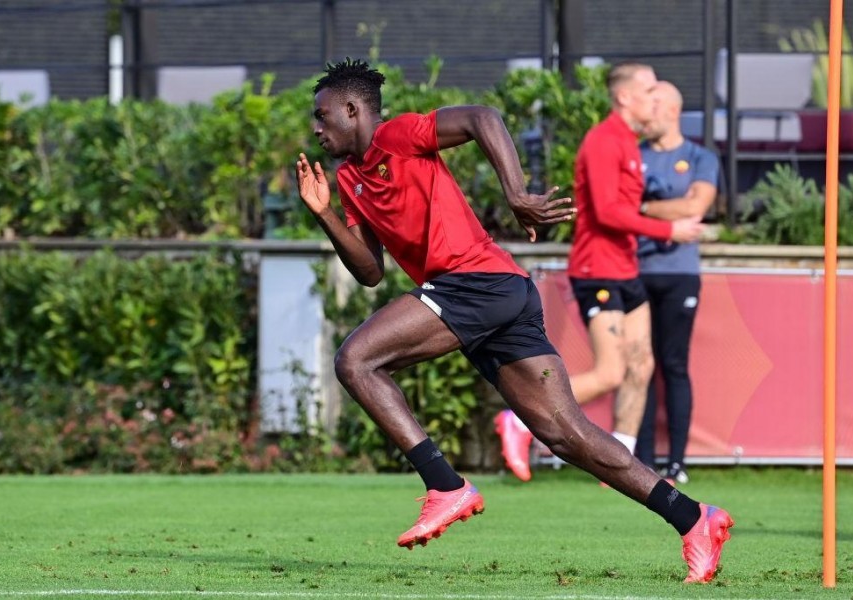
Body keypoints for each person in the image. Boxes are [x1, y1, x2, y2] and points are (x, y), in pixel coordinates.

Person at [295, 58, 732, 583]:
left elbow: (483, 117)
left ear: (352, 109)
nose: (316, 129)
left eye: (322, 116)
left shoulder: (399, 134)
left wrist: (516, 194)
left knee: (356, 360)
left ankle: (446, 484)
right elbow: (368, 271)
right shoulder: (351, 178)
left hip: (476, 282)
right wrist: (324, 215)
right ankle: (693, 518)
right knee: (566, 434)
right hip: (499, 293)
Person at [565, 63, 705, 463]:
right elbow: (608, 212)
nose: (654, 98)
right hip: (597, 270)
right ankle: (519, 419)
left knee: (641, 367)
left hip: (626, 269)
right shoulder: (604, 140)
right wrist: (668, 229)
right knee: (610, 373)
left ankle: (618, 461)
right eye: (648, 91)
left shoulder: (631, 141)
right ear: (625, 97)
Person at [634, 81, 719, 485]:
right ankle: (643, 460)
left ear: (670, 109)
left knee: (673, 364)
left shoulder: (700, 157)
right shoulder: (635, 156)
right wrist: (667, 216)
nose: (644, 117)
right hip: (636, 272)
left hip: (680, 274)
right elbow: (619, 204)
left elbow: (695, 205)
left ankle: (678, 462)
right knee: (641, 365)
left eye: (651, 108)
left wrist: (644, 208)